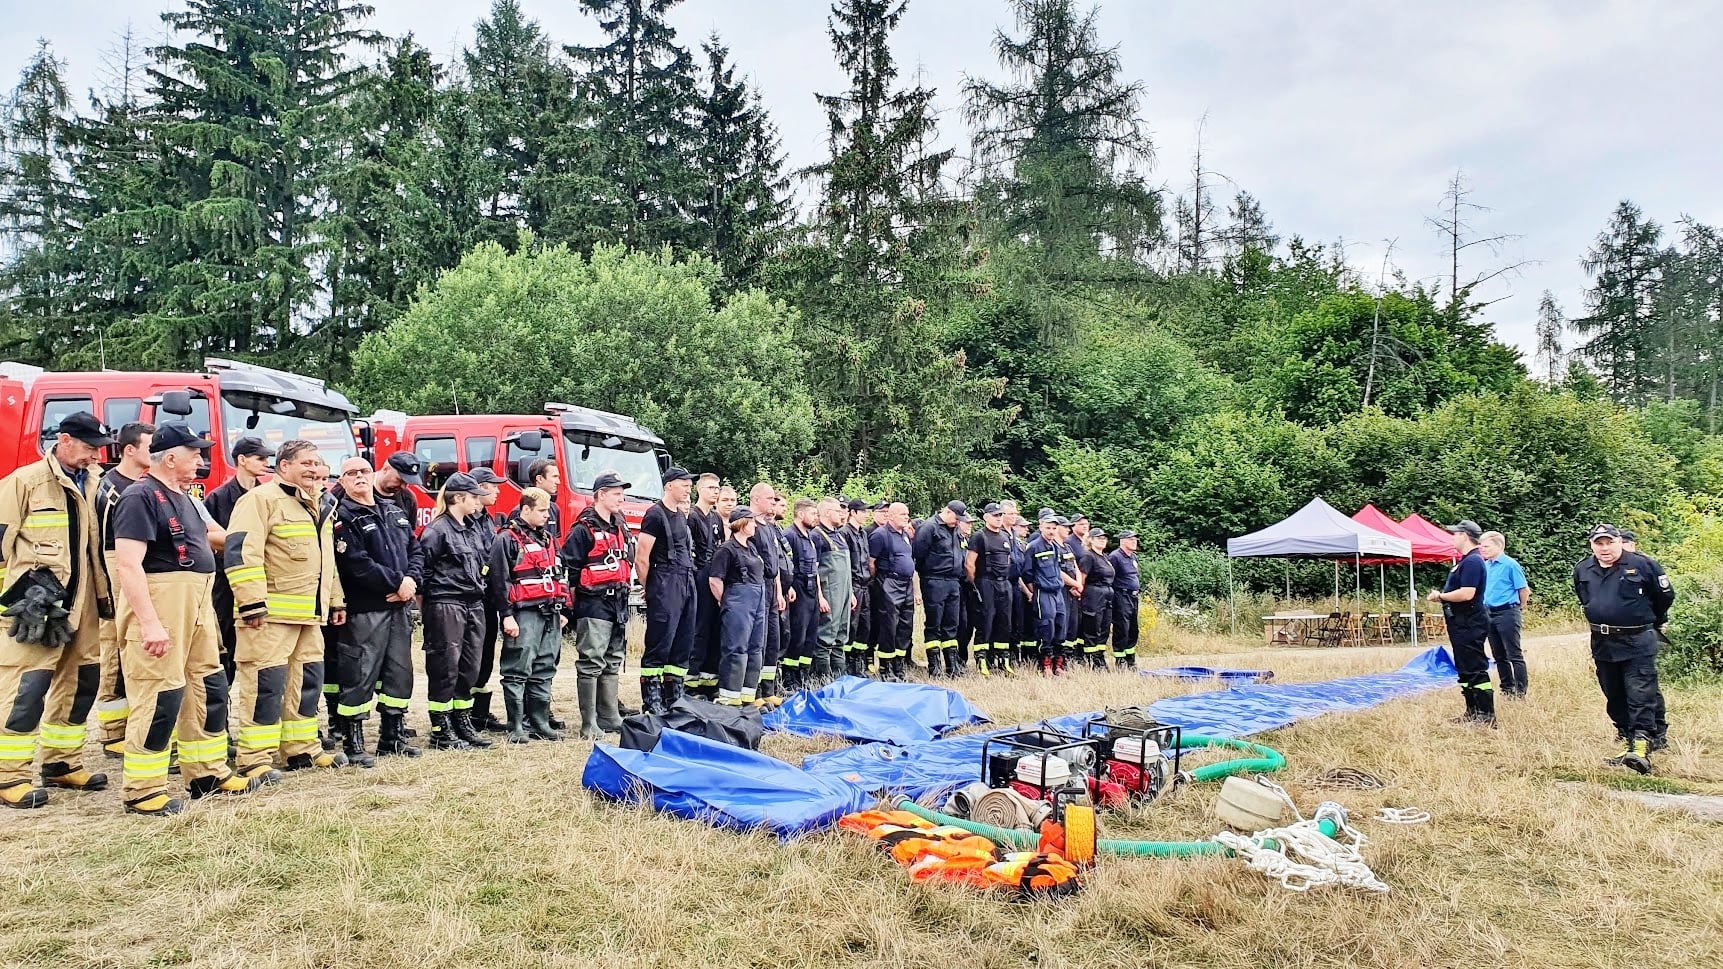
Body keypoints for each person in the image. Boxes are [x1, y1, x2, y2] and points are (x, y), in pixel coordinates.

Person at [107, 423, 262, 814]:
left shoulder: (187, 498)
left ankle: (207, 773)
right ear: (171, 457)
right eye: (194, 453)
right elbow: (128, 565)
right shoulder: (139, 496)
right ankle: (143, 790)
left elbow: (218, 536)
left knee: (206, 686)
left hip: (196, 601)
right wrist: (150, 622)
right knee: (159, 695)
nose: (202, 460)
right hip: (162, 602)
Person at [0, 413, 117, 809]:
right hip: (36, 606)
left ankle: (61, 763)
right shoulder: (25, 482)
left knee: (82, 681)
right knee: (25, 690)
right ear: (64, 440)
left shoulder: (97, 482)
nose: (93, 456)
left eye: (97, 450)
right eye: (87, 448)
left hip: (84, 602)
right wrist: (12, 602)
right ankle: (8, 776)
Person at [224, 439, 349, 780]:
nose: (313, 469)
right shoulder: (259, 501)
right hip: (268, 617)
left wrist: (335, 599)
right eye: (305, 463)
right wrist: (250, 602)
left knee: (306, 684)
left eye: (316, 463)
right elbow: (241, 553)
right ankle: (254, 758)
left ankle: (301, 750)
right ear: (283, 466)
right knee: (265, 685)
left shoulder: (321, 503)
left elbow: (327, 560)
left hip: (309, 616)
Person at [330, 457, 423, 764]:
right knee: (360, 674)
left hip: (399, 608)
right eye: (350, 473)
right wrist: (399, 582)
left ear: (373, 474)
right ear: (341, 481)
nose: (358, 477)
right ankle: (354, 743)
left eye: (363, 471)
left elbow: (415, 550)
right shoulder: (343, 517)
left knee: (399, 674)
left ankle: (392, 737)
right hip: (365, 609)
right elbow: (356, 565)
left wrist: (412, 580)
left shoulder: (395, 511)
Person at [1574, 524, 1674, 773]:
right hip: (1603, 641)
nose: (1605, 548)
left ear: (1619, 542)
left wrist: (1653, 619)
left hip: (1637, 638)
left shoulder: (1642, 565)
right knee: (1614, 691)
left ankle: (1641, 745)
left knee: (1640, 690)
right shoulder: (1583, 568)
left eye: (1610, 542)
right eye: (1599, 543)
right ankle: (1627, 736)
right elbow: (1584, 597)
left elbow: (1664, 596)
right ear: (1592, 545)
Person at [90, 421, 155, 758]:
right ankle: (113, 734)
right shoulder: (111, 488)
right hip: (117, 576)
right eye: (149, 446)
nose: (155, 452)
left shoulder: (138, 486)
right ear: (130, 450)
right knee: (114, 653)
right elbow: (102, 546)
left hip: (135, 573)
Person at [417, 473, 492, 750]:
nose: (477, 501)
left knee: (469, 667)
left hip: (473, 603)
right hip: (446, 603)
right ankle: (440, 727)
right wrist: (429, 609)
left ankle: (462, 721)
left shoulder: (472, 528)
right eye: (473, 496)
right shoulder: (437, 530)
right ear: (458, 498)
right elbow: (423, 570)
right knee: (445, 666)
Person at [491, 487, 570, 743]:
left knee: (545, 667)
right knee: (517, 669)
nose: (548, 515)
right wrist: (507, 615)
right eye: (542, 511)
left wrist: (563, 607)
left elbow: (560, 574)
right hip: (523, 613)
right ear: (525, 509)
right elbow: (499, 580)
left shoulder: (548, 539)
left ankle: (539, 722)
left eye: (548, 510)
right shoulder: (507, 538)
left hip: (550, 612)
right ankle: (516, 726)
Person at [564, 471, 634, 739]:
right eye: (616, 493)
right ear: (600, 495)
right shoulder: (582, 529)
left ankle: (609, 716)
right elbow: (570, 568)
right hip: (593, 602)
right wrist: (570, 608)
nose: (621, 498)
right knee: (591, 660)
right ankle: (588, 722)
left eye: (622, 493)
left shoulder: (619, 525)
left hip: (618, 601)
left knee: (613, 659)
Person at [205, 436, 277, 683]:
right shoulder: (218, 497)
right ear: (242, 460)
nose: (266, 463)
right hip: (225, 581)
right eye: (260, 458)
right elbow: (206, 536)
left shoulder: (268, 495)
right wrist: (241, 543)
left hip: (260, 578)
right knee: (225, 641)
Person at [636, 467, 697, 715]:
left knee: (683, 642)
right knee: (660, 642)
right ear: (669, 485)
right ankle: (652, 700)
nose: (688, 488)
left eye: (689, 484)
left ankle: (674, 697)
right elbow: (642, 557)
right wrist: (650, 587)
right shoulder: (654, 515)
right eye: (684, 483)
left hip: (686, 579)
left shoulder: (681, 516)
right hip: (665, 581)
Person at [1428, 520, 1493, 726]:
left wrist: (1441, 596)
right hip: (1460, 622)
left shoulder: (1473, 561)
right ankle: (1472, 712)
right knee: (1464, 668)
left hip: (1470, 622)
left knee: (1475, 667)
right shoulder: (1465, 561)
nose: (1452, 537)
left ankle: (1486, 715)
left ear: (1464, 535)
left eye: (1455, 534)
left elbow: (1467, 593)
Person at [709, 507, 768, 706]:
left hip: (758, 600)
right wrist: (726, 602)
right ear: (741, 524)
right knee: (736, 648)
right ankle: (730, 697)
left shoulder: (752, 547)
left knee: (755, 647)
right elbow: (715, 580)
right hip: (738, 602)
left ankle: (748, 697)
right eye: (751, 522)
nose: (755, 525)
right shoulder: (726, 549)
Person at [464, 467, 506, 734]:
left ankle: (479, 713)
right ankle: (463, 713)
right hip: (472, 599)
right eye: (493, 485)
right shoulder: (467, 520)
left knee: (486, 656)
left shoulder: (487, 519)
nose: (498, 490)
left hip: (489, 598)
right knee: (470, 657)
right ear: (479, 487)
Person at [913, 501, 967, 678]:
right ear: (947, 512)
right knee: (934, 624)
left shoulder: (956, 530)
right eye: (956, 518)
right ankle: (934, 666)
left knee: (952, 624)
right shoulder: (929, 528)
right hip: (934, 580)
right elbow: (918, 556)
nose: (958, 522)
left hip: (953, 581)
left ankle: (952, 665)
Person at [747, 484, 790, 703]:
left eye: (775, 500)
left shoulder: (770, 527)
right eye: (770, 499)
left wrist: (780, 592)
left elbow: (776, 565)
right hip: (758, 587)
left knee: (773, 639)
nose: (773, 503)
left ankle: (768, 690)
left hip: (773, 589)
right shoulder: (750, 525)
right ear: (756, 499)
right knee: (758, 642)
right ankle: (753, 692)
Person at [1023, 513, 1081, 675]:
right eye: (1048, 528)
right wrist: (1033, 592)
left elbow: (1058, 570)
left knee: (1061, 626)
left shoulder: (1055, 547)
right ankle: (1046, 664)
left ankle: (1058, 664)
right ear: (1041, 527)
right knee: (1046, 627)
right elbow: (1027, 573)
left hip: (1058, 592)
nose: (1051, 531)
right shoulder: (1034, 546)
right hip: (1043, 593)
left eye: (1054, 528)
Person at [781, 498, 828, 691]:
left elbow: (815, 569)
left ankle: (803, 674)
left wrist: (820, 595)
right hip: (797, 588)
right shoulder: (789, 535)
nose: (816, 517)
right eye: (813, 514)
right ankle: (789, 678)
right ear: (801, 514)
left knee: (810, 636)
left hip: (811, 591)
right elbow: (786, 566)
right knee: (797, 636)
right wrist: (788, 587)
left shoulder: (810, 537)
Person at [1478, 530, 1531, 698]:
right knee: (1498, 654)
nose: (1483, 549)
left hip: (1507, 611)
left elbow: (1523, 590)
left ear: (1499, 546)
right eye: (1481, 546)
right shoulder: (1485, 566)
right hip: (1489, 613)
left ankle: (1520, 691)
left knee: (1514, 653)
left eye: (1486, 546)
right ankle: (1507, 688)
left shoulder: (1510, 565)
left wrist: (1517, 608)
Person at [869, 502, 917, 682]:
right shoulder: (880, 535)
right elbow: (871, 563)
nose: (906, 517)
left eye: (907, 514)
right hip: (889, 582)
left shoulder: (905, 535)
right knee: (889, 626)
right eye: (902, 514)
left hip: (906, 585)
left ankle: (899, 666)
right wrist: (880, 583)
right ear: (891, 515)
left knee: (905, 626)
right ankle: (885, 668)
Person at [686, 473, 724, 698]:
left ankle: (709, 683)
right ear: (700, 490)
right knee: (698, 630)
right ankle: (691, 684)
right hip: (699, 576)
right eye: (711, 487)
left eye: (717, 487)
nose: (715, 491)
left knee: (714, 630)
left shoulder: (717, 518)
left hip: (714, 575)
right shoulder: (692, 516)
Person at [966, 503, 1015, 677]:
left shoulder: (1005, 536)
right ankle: (982, 660)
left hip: (1004, 584)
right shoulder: (979, 537)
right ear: (986, 517)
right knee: (985, 622)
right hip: (986, 583)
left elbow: (1008, 560)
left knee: (1004, 622)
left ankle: (1002, 660)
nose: (999, 518)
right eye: (995, 515)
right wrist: (975, 584)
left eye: (1000, 515)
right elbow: (970, 563)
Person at [809, 498, 852, 686]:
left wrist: (850, 594)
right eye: (837, 510)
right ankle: (823, 679)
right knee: (827, 633)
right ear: (826, 513)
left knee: (842, 633)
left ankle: (839, 677)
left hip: (844, 592)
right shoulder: (817, 536)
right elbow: (814, 570)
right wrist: (820, 596)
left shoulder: (840, 535)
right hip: (829, 592)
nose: (842, 513)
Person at [840, 499, 873, 676]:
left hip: (865, 584)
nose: (866, 515)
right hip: (853, 584)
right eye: (863, 511)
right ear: (853, 512)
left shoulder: (862, 534)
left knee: (864, 626)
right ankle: (847, 663)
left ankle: (858, 661)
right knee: (851, 626)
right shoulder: (845, 533)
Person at [1078, 529, 1115, 670]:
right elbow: (1082, 577)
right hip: (1093, 593)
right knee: (1093, 626)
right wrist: (1080, 593)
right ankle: (1091, 660)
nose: (1102, 540)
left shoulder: (1105, 557)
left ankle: (1100, 657)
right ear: (1091, 540)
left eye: (1104, 538)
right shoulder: (1088, 556)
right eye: (1099, 538)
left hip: (1107, 593)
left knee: (1104, 627)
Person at [1108, 530, 1142, 668]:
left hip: (1133, 596)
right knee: (1122, 627)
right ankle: (1120, 659)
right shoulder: (1115, 557)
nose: (1134, 541)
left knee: (1133, 628)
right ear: (1122, 541)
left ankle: (1130, 658)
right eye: (1131, 539)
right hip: (1121, 595)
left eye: (1135, 539)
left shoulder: (1133, 557)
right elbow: (1110, 577)